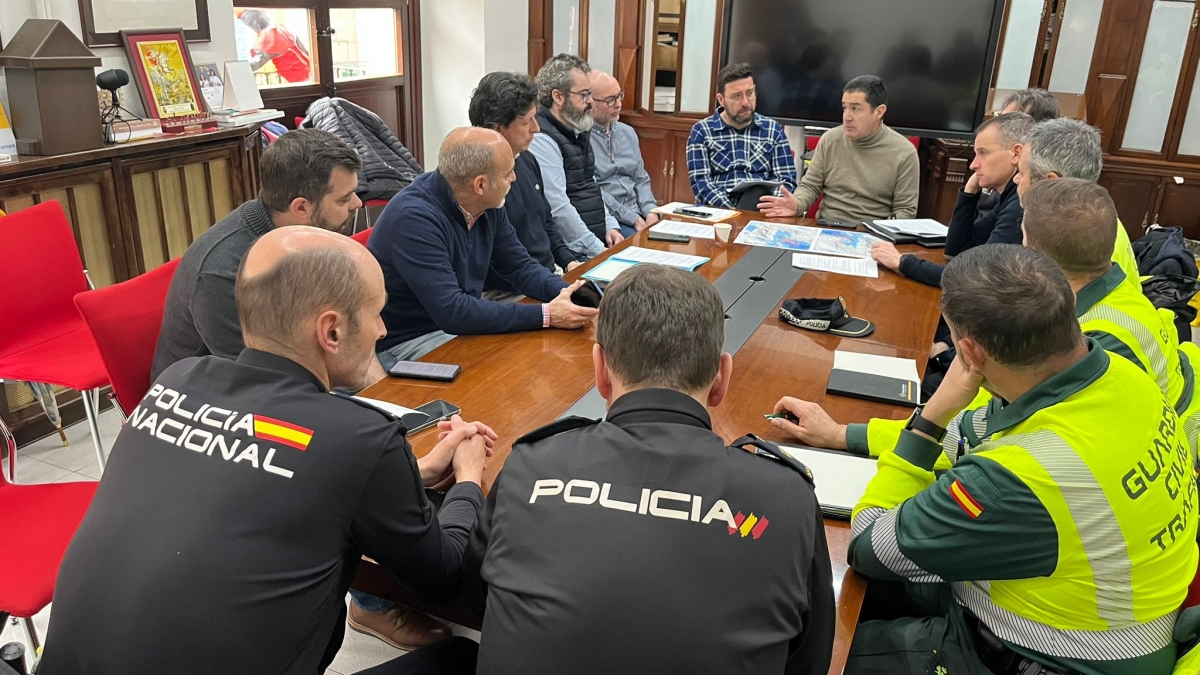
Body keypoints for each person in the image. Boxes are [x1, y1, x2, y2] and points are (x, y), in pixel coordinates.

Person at [38, 227, 495, 674]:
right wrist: (469, 479)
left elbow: (263, 472)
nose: (382, 329)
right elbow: (443, 578)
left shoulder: (177, 381)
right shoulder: (360, 438)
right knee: (462, 657)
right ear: (331, 331)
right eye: (375, 313)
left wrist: (407, 474)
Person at [775, 245, 1197, 675]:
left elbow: (869, 547)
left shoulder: (1016, 476)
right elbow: (970, 433)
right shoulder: (1117, 375)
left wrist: (932, 415)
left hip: (1047, 655)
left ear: (970, 354)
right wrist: (844, 434)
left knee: (806, 648)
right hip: (1095, 609)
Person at [472, 264, 836, 675]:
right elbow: (810, 660)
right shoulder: (787, 500)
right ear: (721, 379)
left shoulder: (532, 465)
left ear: (600, 371)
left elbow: (480, 597)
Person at [369, 127, 598, 369]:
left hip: (453, 329)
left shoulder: (487, 204)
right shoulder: (413, 219)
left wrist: (571, 295)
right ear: (480, 185)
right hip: (409, 341)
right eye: (508, 173)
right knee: (513, 368)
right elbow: (453, 312)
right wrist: (548, 315)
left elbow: (520, 267)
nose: (514, 178)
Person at [152, 129, 363, 380]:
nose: (357, 203)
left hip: (283, 374)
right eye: (344, 199)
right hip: (207, 395)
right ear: (301, 207)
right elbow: (258, 380)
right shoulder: (221, 273)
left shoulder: (307, 234)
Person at [871, 112, 1034, 286]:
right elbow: (956, 252)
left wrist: (902, 262)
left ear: (1016, 153)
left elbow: (976, 277)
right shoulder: (1009, 196)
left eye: (983, 153)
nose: (973, 164)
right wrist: (970, 192)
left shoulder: (1021, 202)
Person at [468, 71, 584, 292]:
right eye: (526, 122)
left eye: (535, 117)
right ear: (497, 128)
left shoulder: (528, 160)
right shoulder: (479, 181)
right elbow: (501, 261)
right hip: (509, 290)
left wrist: (568, 260)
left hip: (545, 276)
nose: (537, 128)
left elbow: (545, 220)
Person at [758, 75, 918, 222]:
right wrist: (797, 203)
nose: (846, 117)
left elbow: (905, 211)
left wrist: (883, 237)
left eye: (855, 109)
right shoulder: (830, 139)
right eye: (844, 108)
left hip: (873, 235)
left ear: (879, 112)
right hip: (827, 227)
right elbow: (810, 186)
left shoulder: (904, 152)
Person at [1016, 117, 1141, 284]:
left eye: (1022, 172)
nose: (1016, 179)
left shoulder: (1071, 242)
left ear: (1050, 183)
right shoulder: (1102, 223)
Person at [528, 54, 624, 258]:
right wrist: (598, 251)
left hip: (595, 242)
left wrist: (610, 226)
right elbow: (558, 208)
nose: (590, 102)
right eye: (584, 95)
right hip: (572, 251)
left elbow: (591, 186)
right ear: (558, 97)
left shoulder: (577, 128)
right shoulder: (542, 139)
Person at [687, 62, 798, 209]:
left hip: (762, 210)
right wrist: (735, 211)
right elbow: (701, 184)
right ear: (721, 99)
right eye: (737, 96)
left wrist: (766, 205)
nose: (746, 102)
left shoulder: (773, 130)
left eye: (750, 93)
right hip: (719, 211)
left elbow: (787, 180)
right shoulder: (701, 132)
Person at [588, 70, 660, 238]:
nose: (619, 104)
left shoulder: (628, 133)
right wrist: (633, 219)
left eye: (619, 96)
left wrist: (650, 210)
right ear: (589, 102)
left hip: (640, 212)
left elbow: (640, 177)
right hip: (611, 220)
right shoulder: (581, 140)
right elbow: (594, 190)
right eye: (610, 100)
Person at [237, 9, 313, 83]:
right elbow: (305, 52)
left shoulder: (266, 37)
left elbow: (257, 61)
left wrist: (236, 69)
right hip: (309, 73)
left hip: (299, 79)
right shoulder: (282, 28)